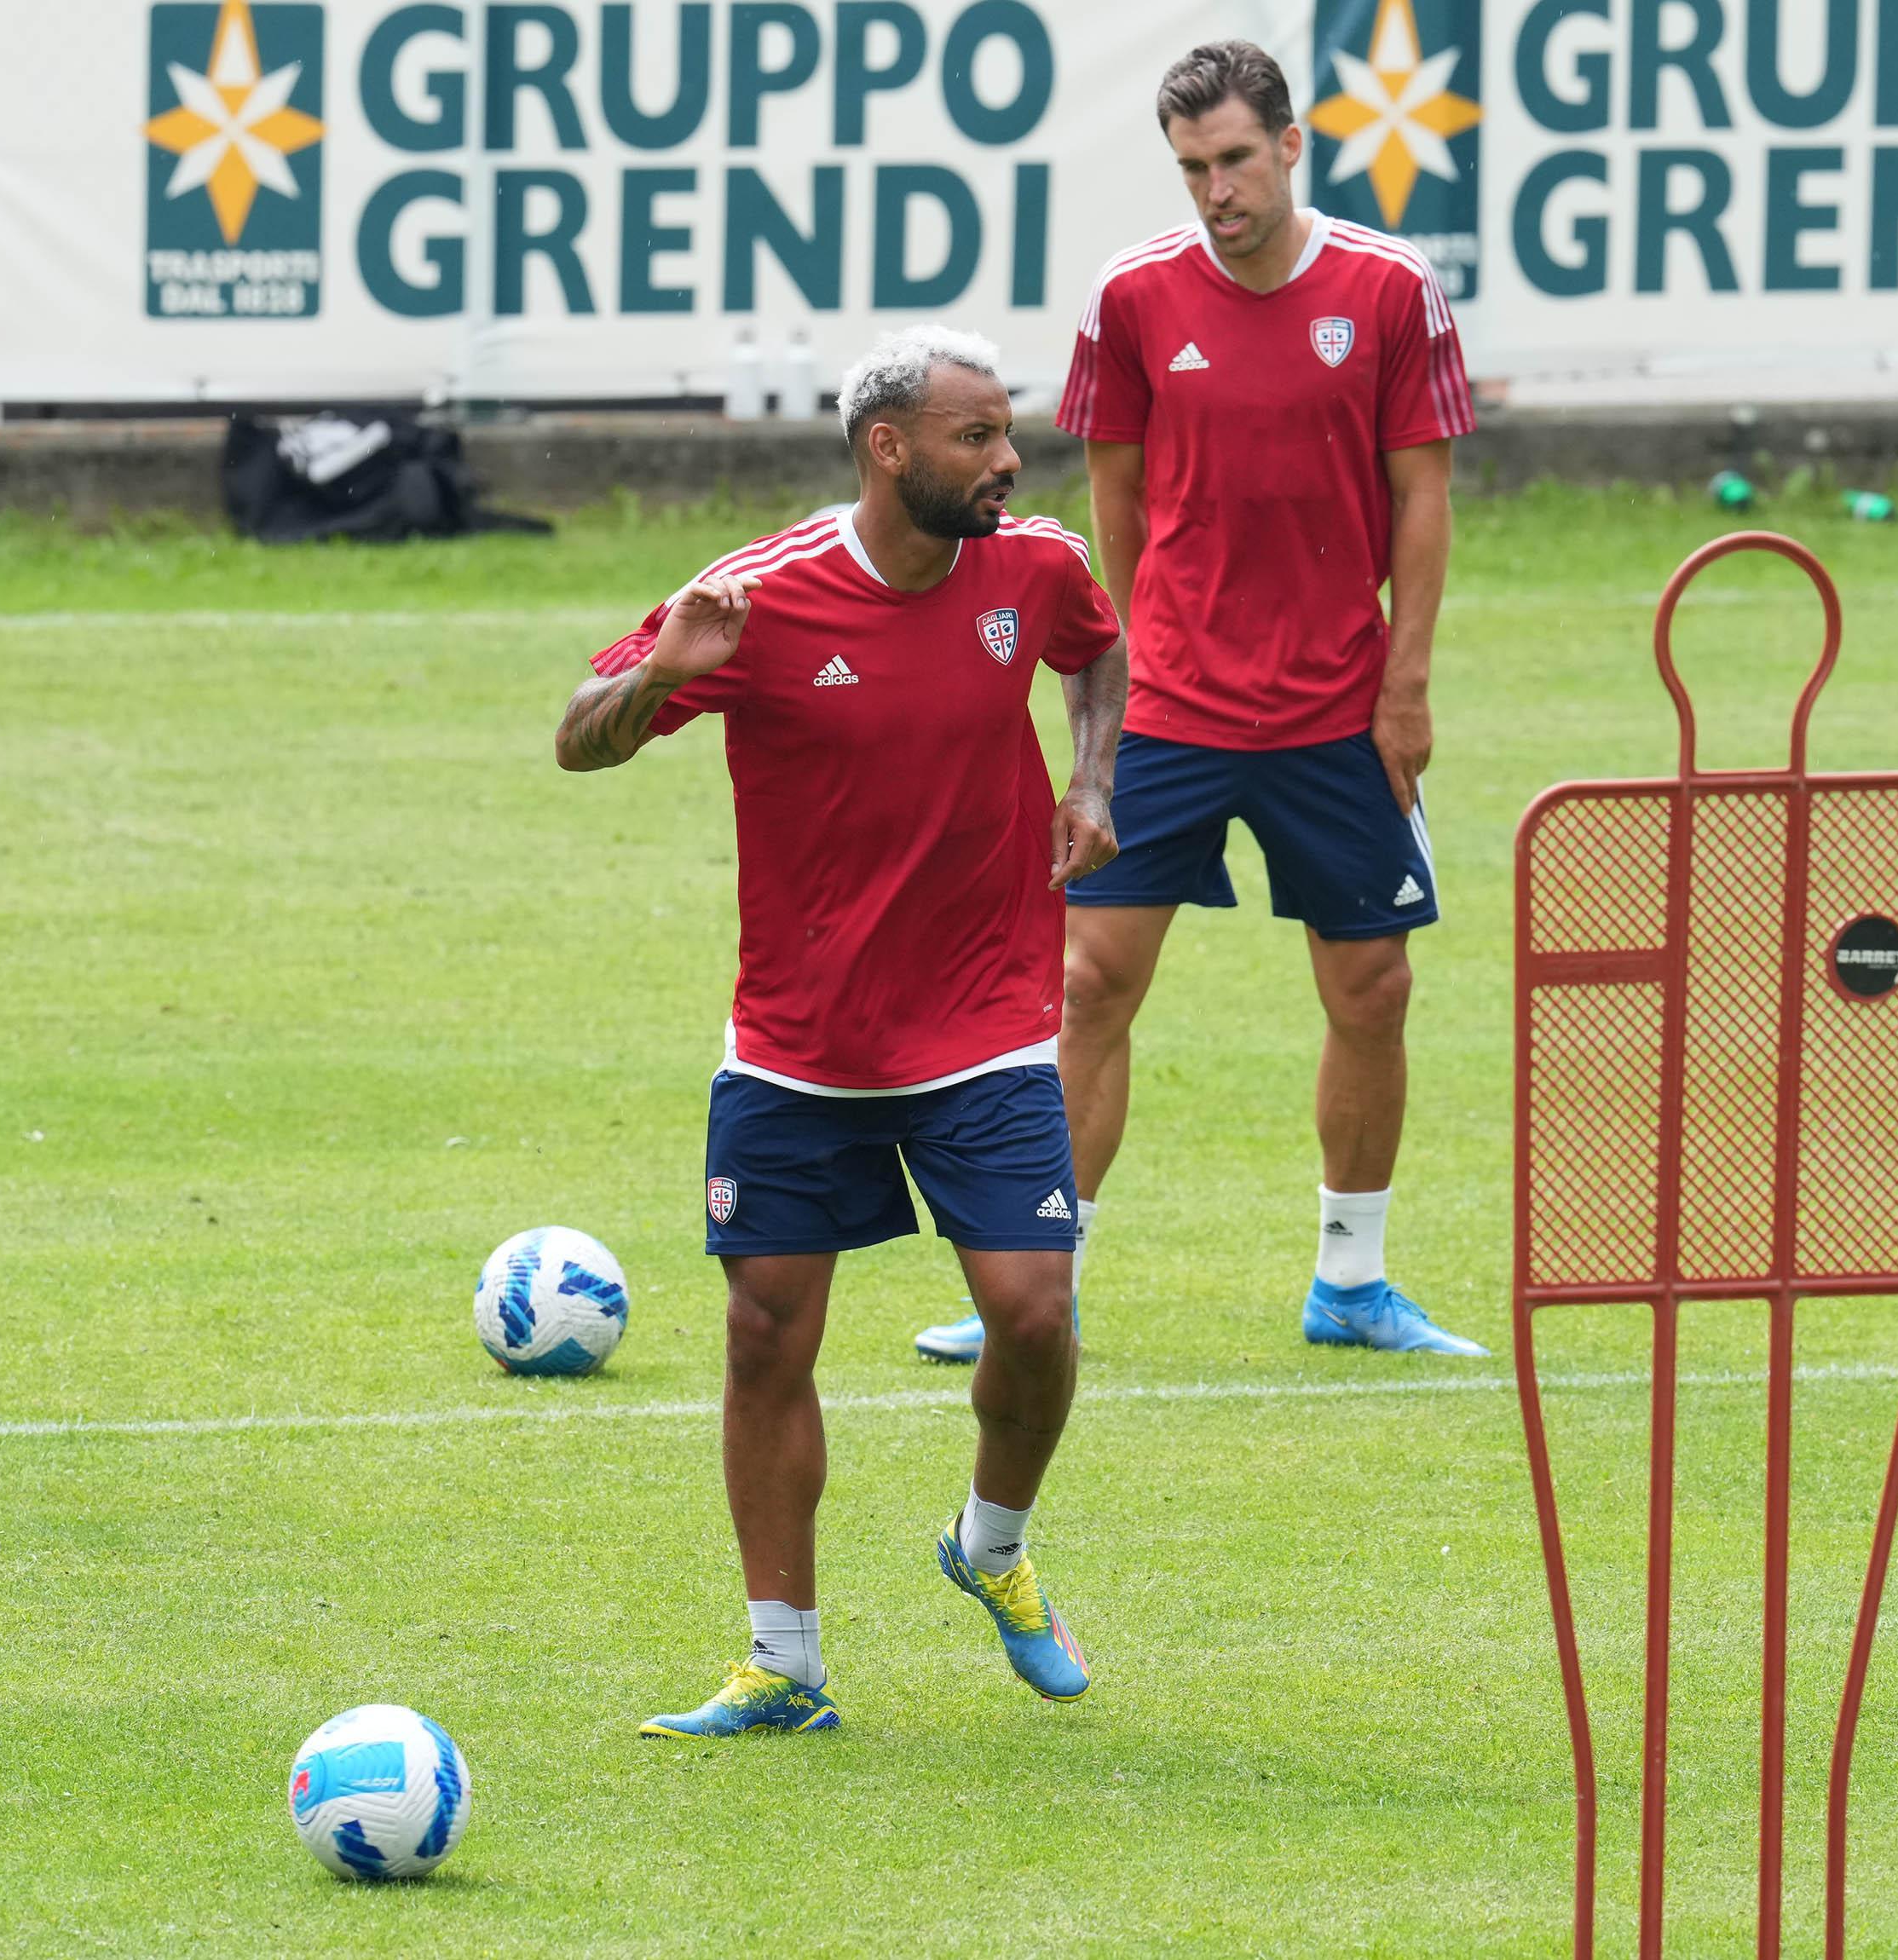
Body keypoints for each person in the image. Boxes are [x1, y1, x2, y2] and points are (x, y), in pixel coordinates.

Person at [557, 326, 1128, 1736]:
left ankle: (991, 1552)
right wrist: (657, 673)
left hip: (987, 1017)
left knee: (1033, 1314)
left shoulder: (1034, 563)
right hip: (799, 1039)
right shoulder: (753, 596)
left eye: (1006, 435)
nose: (1007, 462)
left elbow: (1096, 653)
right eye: (976, 438)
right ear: (888, 449)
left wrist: (1090, 779)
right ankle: (783, 1663)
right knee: (763, 1336)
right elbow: (577, 739)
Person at [914, 39, 1484, 1366]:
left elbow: (1422, 500)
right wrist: (1120, 663)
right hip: (1168, 706)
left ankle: (1350, 1281)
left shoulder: (1390, 290)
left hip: (1338, 710)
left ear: (1290, 147)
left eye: (1233, 160)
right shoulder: (1131, 298)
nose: (1215, 191)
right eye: (1190, 170)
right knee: (1088, 981)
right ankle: (1030, 1281)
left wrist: (1405, 689)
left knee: (1371, 989)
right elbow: (1115, 493)